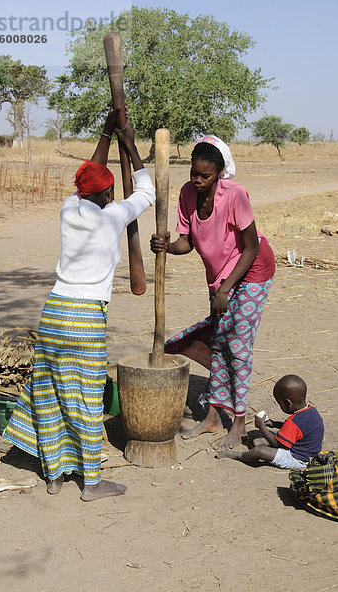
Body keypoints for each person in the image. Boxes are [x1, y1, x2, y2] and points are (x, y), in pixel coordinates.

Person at [3, 107, 155, 501]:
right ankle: (91, 482)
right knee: (86, 397)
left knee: (50, 391)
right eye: (109, 191)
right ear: (106, 194)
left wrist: (107, 131)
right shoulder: (114, 216)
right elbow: (147, 192)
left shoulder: (70, 208)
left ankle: (53, 475)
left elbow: (91, 172)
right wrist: (130, 145)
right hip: (85, 319)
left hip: (54, 312)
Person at [150, 135, 275, 450]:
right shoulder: (187, 194)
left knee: (237, 346)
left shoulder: (235, 195)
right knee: (219, 343)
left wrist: (227, 289)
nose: (197, 179)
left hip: (252, 272)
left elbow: (251, 247)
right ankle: (214, 417)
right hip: (220, 278)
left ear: (219, 173)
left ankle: (240, 423)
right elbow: (187, 242)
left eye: (204, 175)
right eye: (194, 172)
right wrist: (167, 246)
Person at [216, 374, 324, 469]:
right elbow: (296, 430)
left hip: (298, 459)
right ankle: (255, 451)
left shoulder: (293, 422)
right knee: (258, 441)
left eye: (280, 403)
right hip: (310, 453)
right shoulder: (310, 411)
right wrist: (274, 424)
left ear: (287, 404)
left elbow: (277, 444)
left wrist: (261, 426)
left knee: (259, 451)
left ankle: (238, 455)